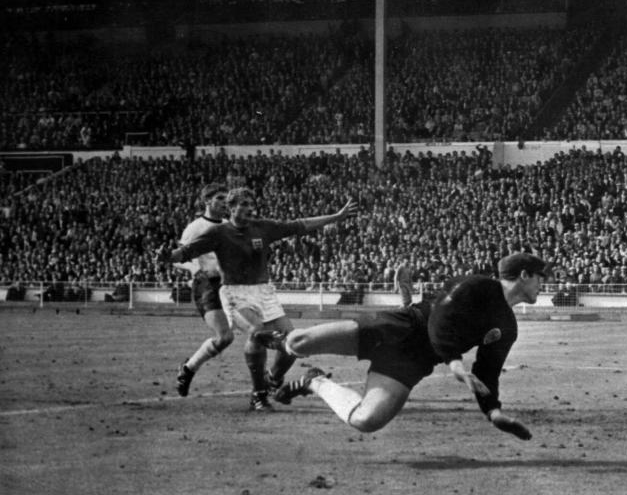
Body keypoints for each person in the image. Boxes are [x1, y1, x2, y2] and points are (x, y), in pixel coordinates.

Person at [255, 252, 548, 440]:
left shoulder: (508, 327)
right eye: (541, 277)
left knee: (366, 420)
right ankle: (280, 342)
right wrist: (454, 361)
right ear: (524, 274)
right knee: (299, 341)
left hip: (414, 360)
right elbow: (439, 321)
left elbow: (487, 370)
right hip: (400, 327)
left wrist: (493, 411)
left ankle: (314, 382)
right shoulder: (476, 285)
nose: (542, 284)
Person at [158, 187, 358, 411]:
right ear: (232, 208)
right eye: (244, 204)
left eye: (252, 204)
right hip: (235, 292)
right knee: (255, 331)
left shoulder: (263, 227)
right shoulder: (219, 232)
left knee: (293, 344)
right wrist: (168, 256)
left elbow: (300, 224)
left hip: (264, 292)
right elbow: (186, 252)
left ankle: (272, 380)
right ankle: (258, 395)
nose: (250, 209)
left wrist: (336, 217)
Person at [172, 183, 232, 398]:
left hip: (230, 284)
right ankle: (188, 368)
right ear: (207, 201)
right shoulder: (195, 228)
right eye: (220, 198)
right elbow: (177, 260)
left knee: (257, 331)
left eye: (226, 199)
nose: (225, 203)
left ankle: (264, 386)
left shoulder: (228, 225)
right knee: (224, 337)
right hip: (206, 285)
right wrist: (195, 268)